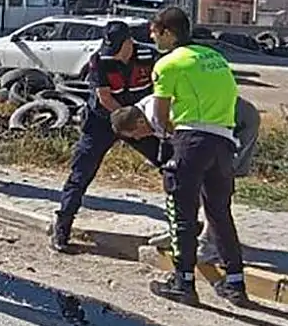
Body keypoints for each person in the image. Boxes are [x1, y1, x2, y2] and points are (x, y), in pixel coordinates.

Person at [145, 6, 248, 306]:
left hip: (191, 141)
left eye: (154, 32)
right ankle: (235, 283)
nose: (152, 37)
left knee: (182, 212)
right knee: (219, 213)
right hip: (224, 141)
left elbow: (161, 113)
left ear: (167, 32)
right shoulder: (214, 57)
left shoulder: (168, 64)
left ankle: (183, 282)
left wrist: (166, 135)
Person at [50, 21, 159, 253]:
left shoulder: (149, 56)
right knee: (81, 172)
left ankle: (184, 225)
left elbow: (161, 89)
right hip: (102, 121)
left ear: (129, 43)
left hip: (138, 120)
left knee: (169, 161)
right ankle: (62, 226)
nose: (114, 54)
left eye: (118, 48)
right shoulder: (100, 60)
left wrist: (147, 123)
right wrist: (126, 119)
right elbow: (104, 98)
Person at [111, 94, 260, 263]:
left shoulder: (160, 115)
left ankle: (209, 243)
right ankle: (181, 233)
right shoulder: (146, 110)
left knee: (216, 185)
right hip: (213, 125)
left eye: (135, 134)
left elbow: (188, 144)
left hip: (239, 122)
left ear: (139, 122)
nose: (138, 139)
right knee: (190, 181)